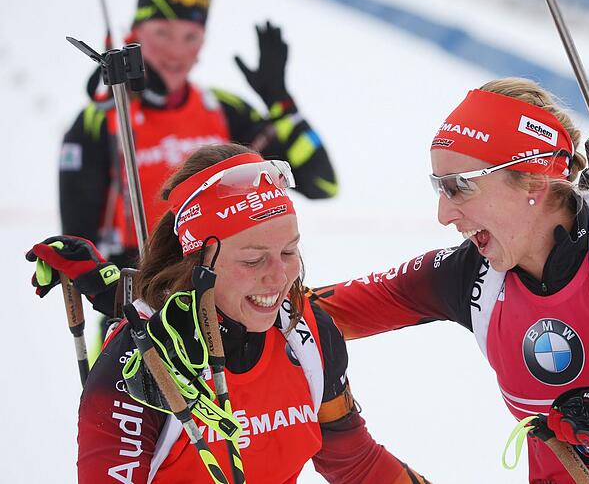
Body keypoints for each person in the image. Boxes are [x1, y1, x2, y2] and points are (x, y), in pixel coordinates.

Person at [310, 78, 589, 483]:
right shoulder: (473, 274)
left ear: (534, 182)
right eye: (438, 187)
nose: (444, 214)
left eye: (459, 187)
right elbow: (309, 312)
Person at [27, 143, 428, 483]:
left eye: (289, 252)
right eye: (253, 260)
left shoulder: (307, 334)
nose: (279, 277)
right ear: (199, 263)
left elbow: (355, 462)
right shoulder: (141, 361)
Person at [59, 0, 337, 270]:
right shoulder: (101, 120)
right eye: (162, 32)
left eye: (190, 37)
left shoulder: (224, 110)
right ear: (134, 35)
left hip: (223, 296)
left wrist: (281, 102)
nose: (176, 50)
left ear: (202, 43)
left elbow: (322, 184)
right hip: (137, 301)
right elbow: (77, 250)